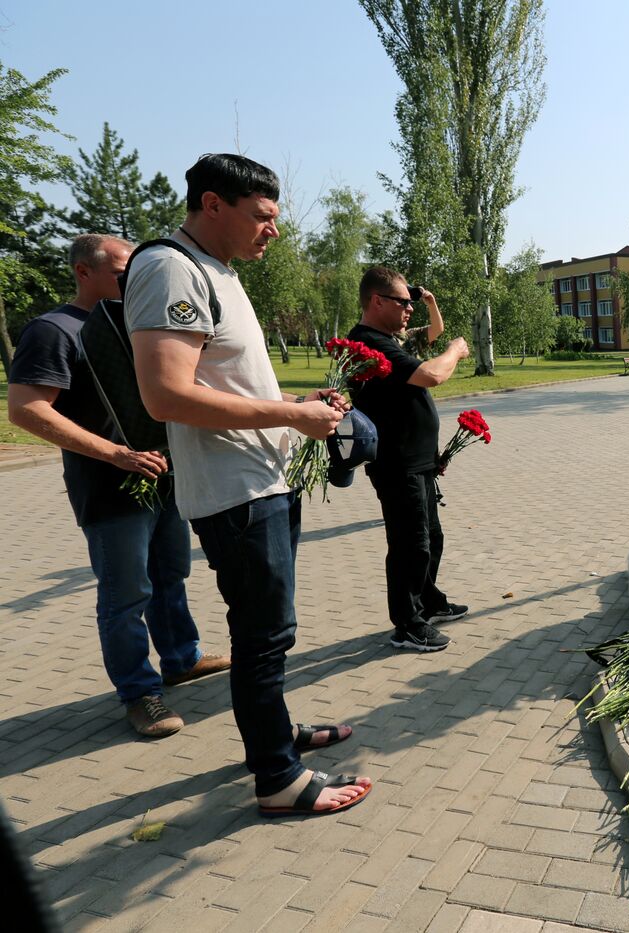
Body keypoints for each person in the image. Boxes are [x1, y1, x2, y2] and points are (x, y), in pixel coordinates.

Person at [126, 153, 370, 816]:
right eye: (262, 216)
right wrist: (291, 416)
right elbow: (166, 395)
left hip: (263, 480)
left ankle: (275, 734)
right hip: (235, 494)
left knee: (270, 633)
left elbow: (229, 384)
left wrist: (295, 402)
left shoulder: (219, 271)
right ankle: (278, 779)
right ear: (212, 204)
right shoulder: (170, 268)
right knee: (262, 637)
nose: (274, 231)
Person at [8, 234, 230, 738]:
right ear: (83, 272)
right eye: (121, 273)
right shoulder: (54, 330)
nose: (133, 281)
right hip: (110, 488)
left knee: (170, 576)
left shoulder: (134, 323)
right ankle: (138, 693)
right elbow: (26, 409)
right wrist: (115, 454)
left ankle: (181, 658)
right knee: (126, 596)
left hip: (162, 476)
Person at [347, 267, 472, 651]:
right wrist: (454, 350)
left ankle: (428, 602)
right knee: (409, 544)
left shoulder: (388, 339)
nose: (409, 308)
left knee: (430, 538)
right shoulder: (368, 343)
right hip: (396, 463)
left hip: (417, 461)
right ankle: (407, 623)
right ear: (377, 301)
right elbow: (431, 375)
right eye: (402, 302)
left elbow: (426, 345)